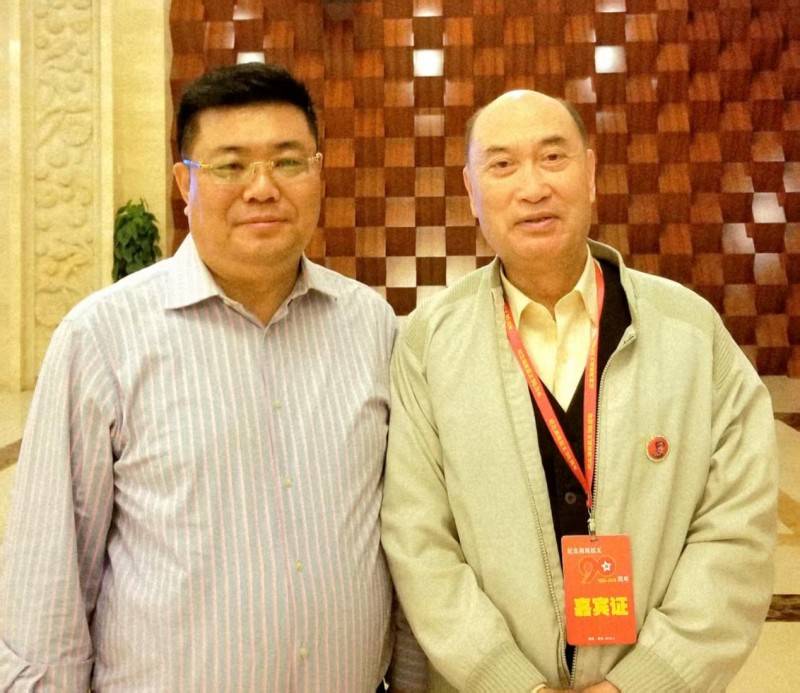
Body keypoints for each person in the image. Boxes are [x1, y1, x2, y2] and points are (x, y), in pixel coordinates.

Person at [0, 62, 426, 691]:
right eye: (230, 166)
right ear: (185, 182)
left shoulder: (370, 326)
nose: (262, 188)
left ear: (318, 173)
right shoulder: (103, 339)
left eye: (288, 162)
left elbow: (405, 537)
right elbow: (48, 581)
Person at [380, 90, 777, 692]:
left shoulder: (690, 332)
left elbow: (737, 531)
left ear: (590, 174)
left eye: (553, 157)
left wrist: (645, 682)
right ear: (472, 191)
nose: (532, 187)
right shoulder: (428, 344)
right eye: (502, 165)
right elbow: (418, 540)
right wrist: (509, 682)